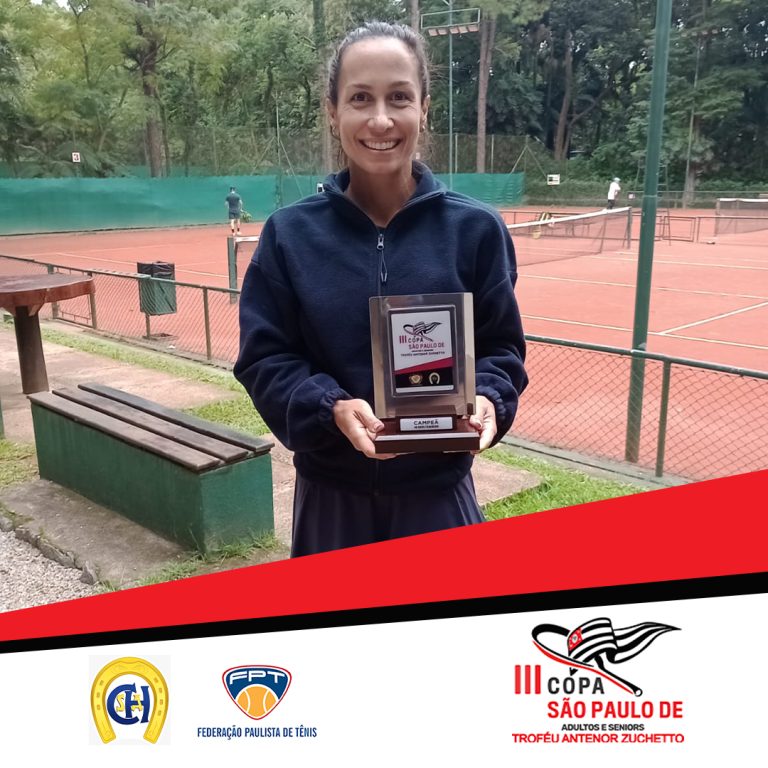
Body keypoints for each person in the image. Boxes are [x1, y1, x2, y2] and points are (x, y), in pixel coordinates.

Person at [234, 21, 527, 557]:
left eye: (399, 97)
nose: (381, 119)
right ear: (332, 111)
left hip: (438, 497)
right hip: (330, 501)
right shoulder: (289, 234)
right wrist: (330, 408)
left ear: (424, 108)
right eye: (360, 98)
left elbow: (501, 349)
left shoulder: (476, 231)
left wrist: (490, 397)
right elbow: (265, 359)